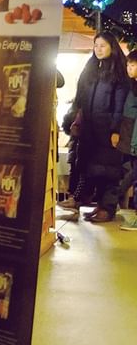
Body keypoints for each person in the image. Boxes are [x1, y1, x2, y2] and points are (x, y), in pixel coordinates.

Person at [65, 32, 128, 222]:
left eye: (102, 45)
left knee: (109, 171)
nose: (98, 49)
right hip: (90, 128)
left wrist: (116, 129)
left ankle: (107, 209)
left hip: (107, 129)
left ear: (112, 47)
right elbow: (80, 97)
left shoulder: (118, 71)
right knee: (93, 168)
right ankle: (98, 205)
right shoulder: (91, 67)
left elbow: (120, 105)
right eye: (96, 45)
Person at [99, 49, 137, 225]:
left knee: (131, 175)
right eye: (128, 65)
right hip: (128, 138)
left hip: (133, 140)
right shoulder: (131, 86)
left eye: (133, 65)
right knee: (127, 173)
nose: (129, 68)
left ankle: (113, 202)